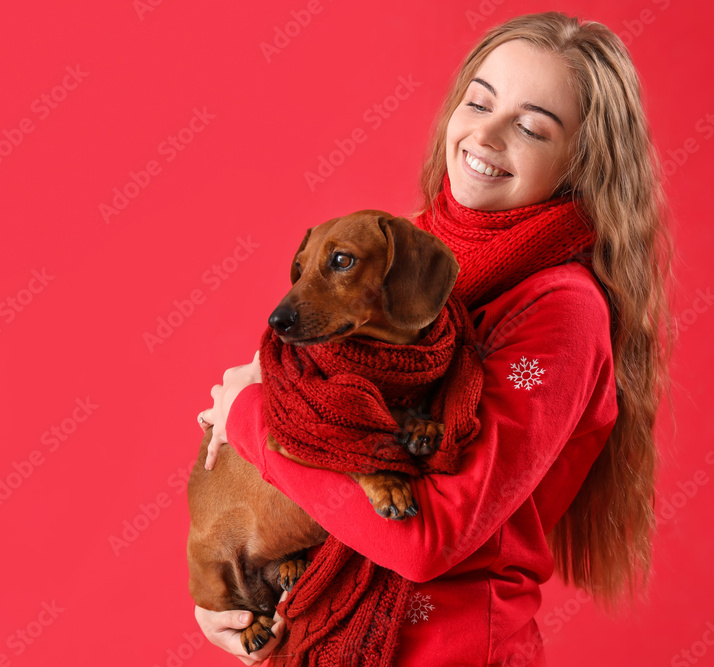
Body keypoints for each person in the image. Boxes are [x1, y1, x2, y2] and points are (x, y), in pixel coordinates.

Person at [195, 11, 676, 665]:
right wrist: (225, 591)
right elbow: (317, 439)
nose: (486, 132)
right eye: (479, 101)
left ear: (581, 164)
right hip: (315, 633)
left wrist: (251, 420)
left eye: (532, 126)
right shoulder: (407, 254)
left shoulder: (561, 310)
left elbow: (427, 539)